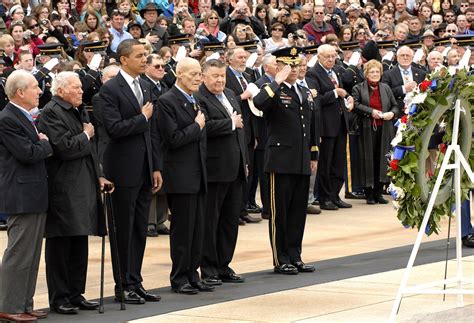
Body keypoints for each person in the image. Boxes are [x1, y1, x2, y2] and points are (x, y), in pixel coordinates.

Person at [37, 71, 113, 314]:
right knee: (61, 244)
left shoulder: (78, 109)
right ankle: (59, 297)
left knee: (80, 240)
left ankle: (75, 292)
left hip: (84, 183)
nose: (82, 91)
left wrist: (99, 173)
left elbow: (90, 149)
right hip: (64, 187)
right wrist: (85, 134)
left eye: (81, 88)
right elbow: (63, 148)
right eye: (76, 88)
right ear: (61, 91)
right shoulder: (51, 112)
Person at [99, 39, 162, 304]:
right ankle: (122, 283)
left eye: (146, 55)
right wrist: (141, 118)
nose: (144, 59)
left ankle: (135, 281)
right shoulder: (110, 90)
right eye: (139, 56)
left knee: (138, 229)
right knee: (122, 230)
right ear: (124, 59)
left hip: (144, 169)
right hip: (122, 170)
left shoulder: (146, 86)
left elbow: (153, 133)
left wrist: (156, 166)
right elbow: (114, 129)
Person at [253, 46, 320, 275]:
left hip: (300, 159)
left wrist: (313, 154)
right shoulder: (271, 89)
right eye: (289, 65)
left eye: (297, 64)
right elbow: (259, 104)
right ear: (279, 66)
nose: (294, 69)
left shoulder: (303, 91)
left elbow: (310, 125)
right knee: (279, 212)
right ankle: (280, 258)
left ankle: (295, 255)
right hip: (280, 160)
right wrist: (276, 82)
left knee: (297, 211)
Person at [156, 57, 212, 294]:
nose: (198, 78)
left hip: (198, 173)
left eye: (200, 73)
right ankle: (180, 277)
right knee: (183, 230)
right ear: (179, 74)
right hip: (180, 175)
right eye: (193, 74)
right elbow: (174, 139)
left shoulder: (195, 100)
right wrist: (197, 126)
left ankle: (193, 274)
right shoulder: (167, 101)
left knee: (198, 229)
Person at [0, 70, 51, 322]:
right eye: (34, 87)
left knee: (31, 254)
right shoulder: (7, 118)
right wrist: (44, 143)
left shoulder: (23, 116)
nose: (40, 91)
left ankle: (24, 302)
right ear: (20, 92)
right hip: (21, 194)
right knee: (19, 253)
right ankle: (9, 305)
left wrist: (40, 143)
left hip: (34, 192)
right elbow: (27, 152)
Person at [195, 59, 248, 286]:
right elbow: (203, 127)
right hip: (215, 168)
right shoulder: (199, 97)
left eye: (222, 76)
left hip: (235, 167)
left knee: (229, 220)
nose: (219, 80)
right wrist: (229, 123)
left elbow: (241, 130)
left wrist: (244, 160)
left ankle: (224, 264)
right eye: (215, 76)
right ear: (204, 76)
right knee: (210, 221)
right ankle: (208, 268)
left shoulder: (230, 94)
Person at [306, 44, 353, 211]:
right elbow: (316, 99)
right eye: (328, 57)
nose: (331, 59)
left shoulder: (337, 70)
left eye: (333, 56)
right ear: (319, 57)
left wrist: (348, 99)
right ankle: (324, 197)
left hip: (341, 121)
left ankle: (335, 195)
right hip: (325, 125)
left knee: (338, 162)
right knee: (325, 163)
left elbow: (344, 92)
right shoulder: (313, 73)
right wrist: (335, 93)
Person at [352, 60, 399, 205]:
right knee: (368, 159)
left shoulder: (385, 88)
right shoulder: (358, 88)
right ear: (366, 74)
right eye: (372, 72)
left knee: (382, 158)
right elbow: (355, 104)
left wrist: (392, 114)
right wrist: (371, 112)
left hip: (384, 128)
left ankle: (379, 192)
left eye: (377, 72)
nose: (375, 74)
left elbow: (395, 106)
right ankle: (369, 193)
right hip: (366, 128)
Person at [225, 47, 261, 225]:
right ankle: (235, 211)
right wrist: (242, 96)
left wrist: (255, 134)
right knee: (237, 173)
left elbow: (252, 107)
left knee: (249, 171)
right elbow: (226, 102)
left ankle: (244, 207)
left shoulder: (247, 76)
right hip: (233, 129)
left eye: (245, 57)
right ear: (229, 59)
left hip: (249, 130)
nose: (243, 60)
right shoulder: (224, 76)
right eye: (239, 57)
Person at [140, 53, 170, 237]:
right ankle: (149, 221)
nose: (161, 69)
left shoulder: (164, 86)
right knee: (152, 178)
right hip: (152, 135)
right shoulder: (145, 86)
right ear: (147, 68)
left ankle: (160, 219)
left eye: (163, 66)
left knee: (165, 178)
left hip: (166, 137)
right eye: (157, 66)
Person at [381, 45, 426, 115]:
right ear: (397, 57)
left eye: (407, 55)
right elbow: (385, 93)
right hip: (397, 112)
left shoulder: (421, 73)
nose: (405, 58)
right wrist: (403, 89)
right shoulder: (387, 74)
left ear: (412, 58)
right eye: (402, 55)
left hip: (418, 112)